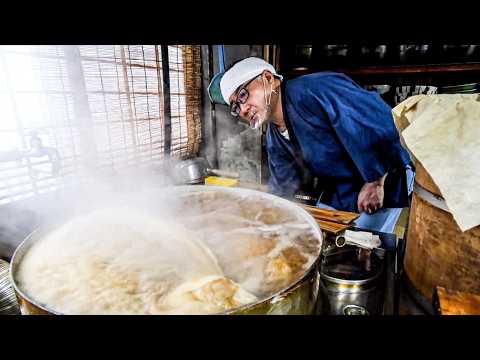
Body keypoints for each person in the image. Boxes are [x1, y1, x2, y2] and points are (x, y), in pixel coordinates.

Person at [207, 57, 414, 234]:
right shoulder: (275, 136)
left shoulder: (317, 89)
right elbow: (283, 187)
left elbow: (378, 122)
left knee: (366, 246)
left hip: (383, 178)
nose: (242, 109)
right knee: (324, 237)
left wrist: (376, 180)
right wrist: (268, 219)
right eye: (235, 106)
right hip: (342, 191)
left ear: (269, 79)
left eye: (243, 95)